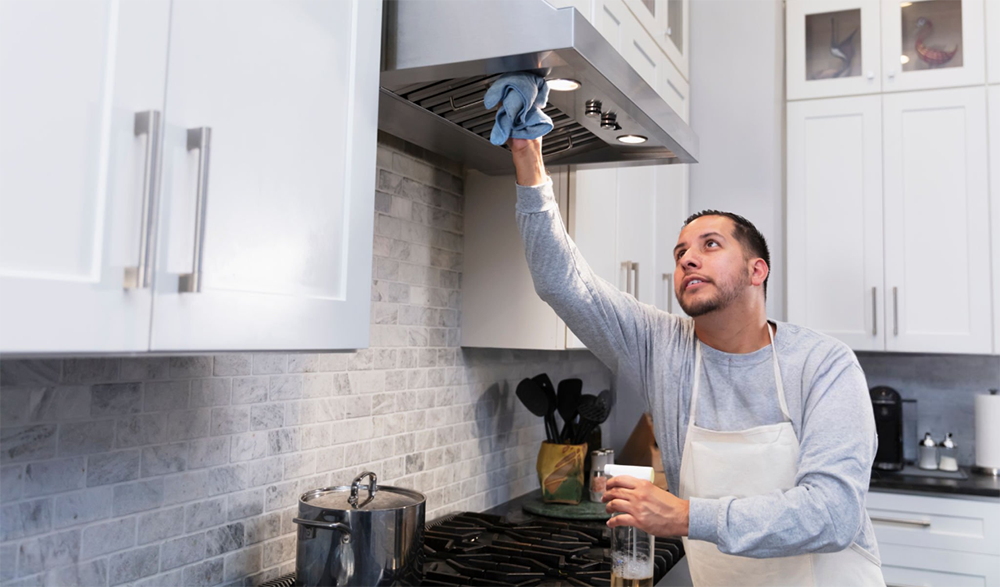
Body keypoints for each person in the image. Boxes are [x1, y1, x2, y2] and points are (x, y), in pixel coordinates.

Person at [509, 136, 885, 587]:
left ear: (756, 270)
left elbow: (833, 513)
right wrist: (528, 158)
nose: (687, 258)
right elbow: (561, 282)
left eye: (710, 245)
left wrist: (687, 515)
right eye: (680, 252)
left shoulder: (822, 364)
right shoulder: (661, 346)